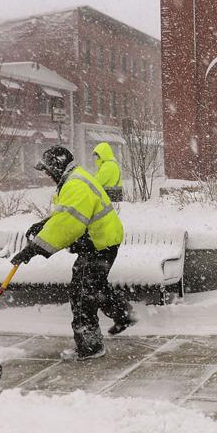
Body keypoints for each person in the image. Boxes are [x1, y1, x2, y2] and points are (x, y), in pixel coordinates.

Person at [12, 146, 135, 360]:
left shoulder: (75, 183)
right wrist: (44, 224)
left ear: (58, 166)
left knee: (81, 295)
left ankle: (90, 346)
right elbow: (64, 214)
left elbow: (69, 223)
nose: (47, 174)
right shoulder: (73, 179)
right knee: (92, 286)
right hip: (100, 242)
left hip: (99, 243)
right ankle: (122, 314)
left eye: (48, 170)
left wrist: (35, 248)